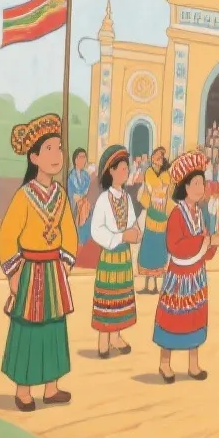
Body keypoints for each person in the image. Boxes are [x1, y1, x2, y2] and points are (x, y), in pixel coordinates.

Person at [0, 115, 78, 411]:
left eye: (59, 148)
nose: (57, 156)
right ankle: (23, 390)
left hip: (54, 270)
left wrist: (65, 264)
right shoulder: (24, 196)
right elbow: (6, 238)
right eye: (50, 150)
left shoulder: (61, 196)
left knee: (54, 327)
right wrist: (14, 272)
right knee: (28, 328)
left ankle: (52, 386)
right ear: (34, 157)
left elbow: (69, 232)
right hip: (30, 270)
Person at [153, 151, 217, 383]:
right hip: (180, 276)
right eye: (196, 183)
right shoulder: (177, 215)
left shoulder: (200, 213)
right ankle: (164, 363)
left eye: (202, 182)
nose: (200, 188)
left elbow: (204, 243)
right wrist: (201, 241)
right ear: (185, 187)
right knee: (173, 317)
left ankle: (193, 364)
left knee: (195, 317)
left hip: (196, 275)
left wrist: (211, 245)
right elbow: (174, 245)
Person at [87, 145, 141, 357]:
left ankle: (116, 337)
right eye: (122, 168)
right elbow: (96, 230)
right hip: (110, 256)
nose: (126, 171)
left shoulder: (127, 198)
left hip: (124, 257)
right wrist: (120, 237)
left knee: (122, 297)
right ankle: (103, 339)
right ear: (111, 171)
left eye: (127, 168)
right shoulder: (103, 200)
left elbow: (132, 222)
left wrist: (136, 231)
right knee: (107, 298)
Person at [136, 147, 172, 294]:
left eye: (160, 157)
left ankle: (156, 285)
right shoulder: (149, 172)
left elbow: (165, 188)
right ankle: (146, 283)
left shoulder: (165, 174)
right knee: (148, 246)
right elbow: (155, 186)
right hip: (152, 213)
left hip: (162, 214)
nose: (158, 159)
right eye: (156, 156)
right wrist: (159, 189)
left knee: (159, 247)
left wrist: (160, 189)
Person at [68, 148, 92, 249]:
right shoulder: (71, 175)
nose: (83, 160)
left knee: (87, 207)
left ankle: (85, 238)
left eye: (84, 157)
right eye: (80, 157)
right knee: (82, 208)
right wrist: (78, 198)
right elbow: (70, 192)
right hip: (75, 202)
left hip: (84, 201)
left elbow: (88, 190)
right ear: (75, 160)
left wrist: (84, 196)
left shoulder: (86, 175)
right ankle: (79, 239)